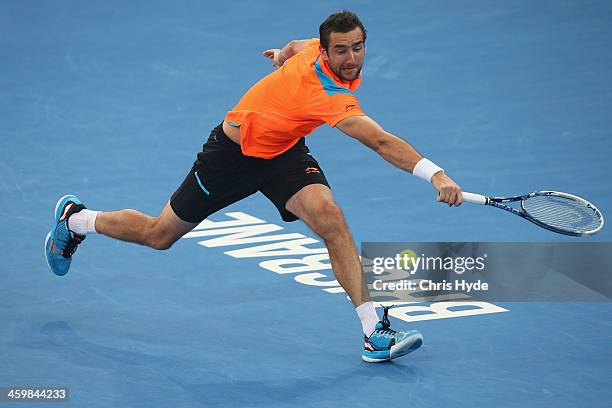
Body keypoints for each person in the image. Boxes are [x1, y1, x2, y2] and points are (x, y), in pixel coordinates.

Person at [45, 11, 463, 363]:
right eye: (341, 49)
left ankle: (374, 333)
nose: (351, 57)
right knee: (159, 235)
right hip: (232, 155)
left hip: (283, 153)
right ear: (327, 50)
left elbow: (299, 46)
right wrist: (436, 174)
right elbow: (380, 140)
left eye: (357, 47)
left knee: (332, 220)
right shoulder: (330, 95)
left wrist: (281, 55)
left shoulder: (314, 52)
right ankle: (77, 220)